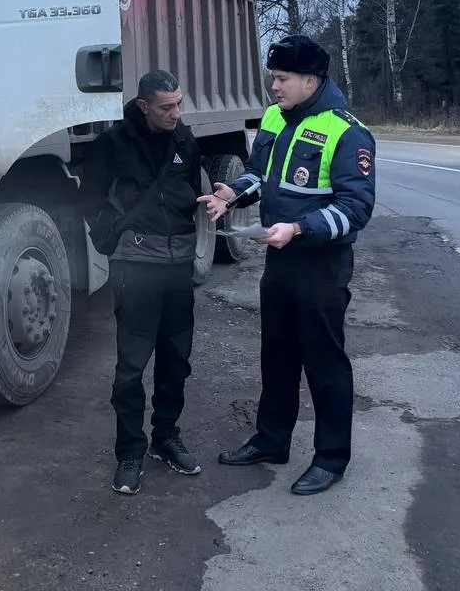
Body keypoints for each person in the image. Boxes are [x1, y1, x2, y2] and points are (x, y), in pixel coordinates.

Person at [199, 34, 376, 496]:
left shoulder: (347, 131)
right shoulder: (276, 118)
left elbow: (356, 208)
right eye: (273, 77)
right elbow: (262, 174)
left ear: (310, 80)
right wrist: (232, 193)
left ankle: (331, 458)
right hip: (279, 261)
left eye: (281, 78)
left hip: (321, 265)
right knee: (276, 356)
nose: (273, 87)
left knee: (324, 363)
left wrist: (298, 229)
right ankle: (271, 440)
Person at [81, 69, 205, 495]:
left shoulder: (185, 140)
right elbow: (90, 199)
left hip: (178, 268)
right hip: (135, 269)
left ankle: (165, 438)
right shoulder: (111, 145)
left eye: (179, 104)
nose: (176, 114)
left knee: (177, 359)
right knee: (131, 368)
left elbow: (189, 190)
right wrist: (111, 238)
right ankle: (129, 451)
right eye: (167, 107)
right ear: (143, 106)